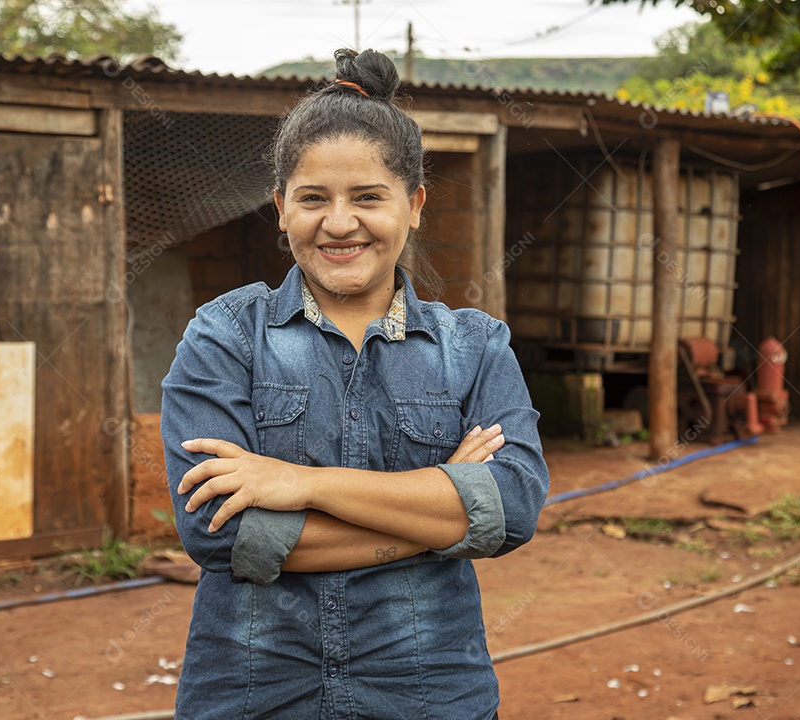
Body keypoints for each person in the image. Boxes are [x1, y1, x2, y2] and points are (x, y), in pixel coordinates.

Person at [161, 47, 548, 720]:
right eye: (313, 199)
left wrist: (300, 484)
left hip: (427, 692)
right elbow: (220, 536)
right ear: (281, 208)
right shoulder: (223, 337)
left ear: (415, 203)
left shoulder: (475, 347)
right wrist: (439, 513)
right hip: (254, 690)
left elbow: (511, 510)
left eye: (368, 197)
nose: (339, 223)